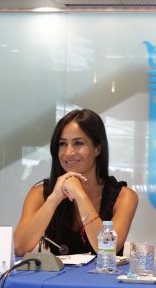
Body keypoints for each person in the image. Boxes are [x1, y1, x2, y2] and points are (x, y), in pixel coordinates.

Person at [14, 109, 138, 256]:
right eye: (62, 144)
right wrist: (54, 199)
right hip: (58, 272)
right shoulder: (39, 193)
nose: (68, 153)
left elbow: (107, 250)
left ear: (97, 148)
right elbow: (19, 248)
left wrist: (80, 196)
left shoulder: (124, 196)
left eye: (78, 143)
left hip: (104, 272)